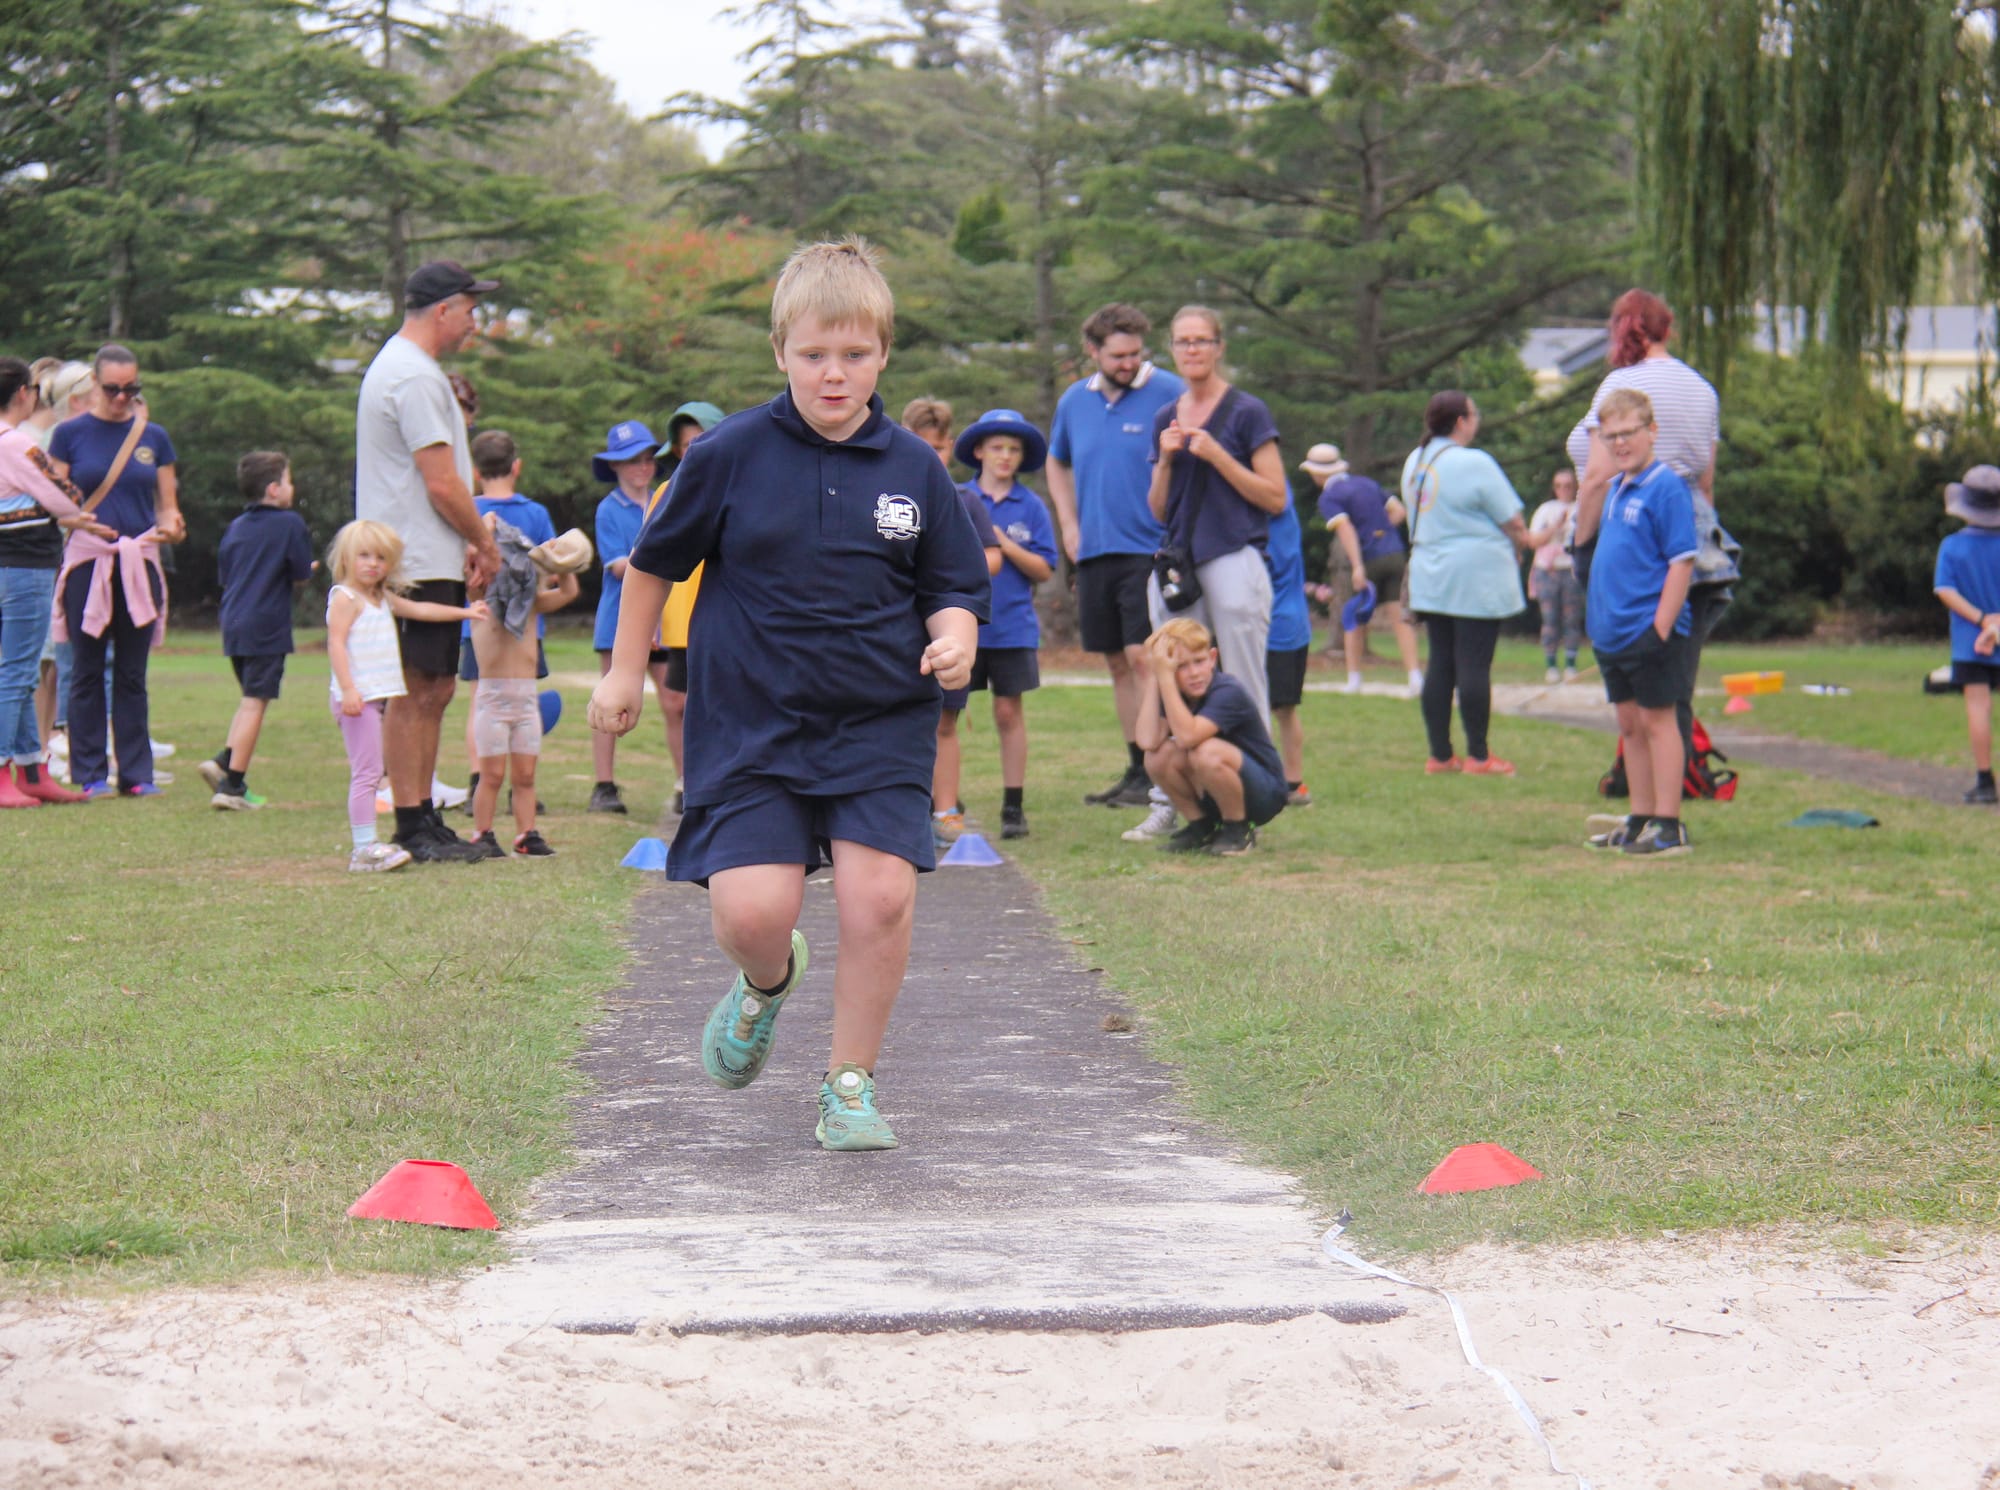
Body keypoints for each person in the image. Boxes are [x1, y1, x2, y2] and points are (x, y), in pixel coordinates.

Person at [587, 237, 990, 1153]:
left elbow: (954, 585)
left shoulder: (916, 470)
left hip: (879, 718)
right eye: (814, 355)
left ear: (883, 353)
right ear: (781, 352)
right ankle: (764, 985)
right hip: (752, 722)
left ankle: (849, 1084)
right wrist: (622, 670)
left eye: (854, 355)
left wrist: (955, 638)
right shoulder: (728, 453)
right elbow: (654, 565)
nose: (834, 375)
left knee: (879, 897)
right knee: (753, 913)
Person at [354, 259, 504, 862]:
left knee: (433, 687)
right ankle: (412, 822)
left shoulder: (408, 369)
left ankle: (422, 816)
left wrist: (466, 540)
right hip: (414, 557)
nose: (474, 322)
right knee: (418, 689)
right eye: (470, 309)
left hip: (423, 551)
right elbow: (441, 483)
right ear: (443, 309)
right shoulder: (414, 377)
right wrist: (484, 542)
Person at [1139, 306, 1288, 841]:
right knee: (1169, 676)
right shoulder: (1165, 418)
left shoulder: (1246, 412)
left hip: (1232, 555)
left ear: (1220, 347)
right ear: (1172, 349)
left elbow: (1274, 496)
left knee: (1241, 679)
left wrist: (1220, 457)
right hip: (1179, 562)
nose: (1193, 350)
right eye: (1183, 342)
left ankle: (1252, 802)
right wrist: (1166, 459)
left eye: (1202, 341)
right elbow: (1158, 509)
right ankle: (1173, 803)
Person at [1568, 289, 1734, 771]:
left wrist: (1582, 546)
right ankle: (1673, 779)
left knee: (1634, 661)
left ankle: (1650, 785)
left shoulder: (1621, 385)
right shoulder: (1703, 388)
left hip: (1632, 523)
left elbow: (1598, 475)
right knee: (1675, 672)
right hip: (1697, 528)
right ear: (1668, 328)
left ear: (1622, 330)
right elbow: (1706, 481)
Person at [1045, 303, 1187, 811]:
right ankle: (1136, 769)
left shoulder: (1169, 391)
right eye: (1117, 355)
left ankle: (1162, 768)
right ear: (1092, 351)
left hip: (1149, 548)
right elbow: (1056, 461)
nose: (1128, 363)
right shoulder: (1073, 401)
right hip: (1096, 550)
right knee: (1116, 662)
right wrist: (1069, 524)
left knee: (1143, 658)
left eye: (1134, 353)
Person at [46, 344, 186, 797]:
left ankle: (137, 773)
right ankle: (89, 771)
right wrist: (73, 518)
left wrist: (171, 528)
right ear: (94, 386)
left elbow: (168, 507)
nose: (123, 398)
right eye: (113, 390)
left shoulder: (154, 437)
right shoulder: (69, 435)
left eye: (132, 389)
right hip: (90, 560)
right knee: (86, 669)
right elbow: (55, 501)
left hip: (137, 563)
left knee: (132, 671)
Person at [325, 519, 487, 873]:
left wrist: (466, 612)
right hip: (357, 700)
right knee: (367, 773)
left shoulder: (380, 597)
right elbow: (335, 643)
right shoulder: (345, 598)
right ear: (346, 559)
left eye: (381, 558)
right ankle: (363, 849)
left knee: (369, 771)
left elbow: (421, 610)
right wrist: (349, 689)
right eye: (363, 556)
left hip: (374, 698)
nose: (372, 564)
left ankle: (367, 846)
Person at [1583, 389, 1697, 857]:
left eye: (1628, 433)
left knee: (1658, 721)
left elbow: (1681, 561)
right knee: (1629, 725)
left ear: (1651, 431)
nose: (1620, 443)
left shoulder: (1665, 487)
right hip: (1613, 633)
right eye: (1611, 437)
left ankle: (1669, 824)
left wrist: (1661, 628)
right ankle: (1640, 814)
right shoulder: (1616, 488)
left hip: (1649, 630)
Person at [1402, 391, 1533, 775]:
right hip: (1474, 574)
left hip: (1431, 571)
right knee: (1474, 664)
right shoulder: (1473, 462)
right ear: (1461, 421)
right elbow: (1510, 517)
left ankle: (1440, 754)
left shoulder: (1417, 459)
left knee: (1441, 662)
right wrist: (1521, 541)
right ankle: (1479, 755)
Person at [952, 408, 1057, 841]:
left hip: (1012, 627)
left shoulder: (1031, 506)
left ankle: (1013, 806)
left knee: (1008, 712)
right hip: (964, 624)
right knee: (945, 716)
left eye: (1013, 449)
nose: (1005, 456)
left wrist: (1003, 543)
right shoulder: (957, 496)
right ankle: (944, 802)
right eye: (996, 447)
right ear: (979, 451)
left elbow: (1045, 569)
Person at [902, 398, 1002, 849]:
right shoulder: (885, 496)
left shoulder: (966, 502)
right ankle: (903, 814)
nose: (931, 456)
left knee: (944, 722)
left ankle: (946, 812)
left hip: (946, 631)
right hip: (897, 634)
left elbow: (986, 560)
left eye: (939, 448)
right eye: (921, 445)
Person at [0, 356, 94, 807]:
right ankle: (5, 771)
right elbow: (62, 494)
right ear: (25, 393)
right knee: (17, 671)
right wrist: (79, 513)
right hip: (25, 566)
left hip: (9, 565)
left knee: (18, 670)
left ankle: (31, 768)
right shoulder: (17, 444)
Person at [197, 451, 314, 810]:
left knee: (249, 699)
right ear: (275, 489)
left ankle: (223, 762)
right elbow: (299, 574)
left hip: (233, 623)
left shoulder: (235, 527)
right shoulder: (289, 523)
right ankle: (232, 787)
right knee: (255, 702)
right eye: (289, 481)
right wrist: (307, 567)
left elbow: (228, 574)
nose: (293, 488)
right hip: (266, 624)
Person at [467, 516, 583, 857]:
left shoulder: (529, 607)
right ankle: (483, 833)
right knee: (491, 775)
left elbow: (570, 591)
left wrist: (558, 561)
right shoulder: (482, 602)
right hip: (493, 701)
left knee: (526, 775)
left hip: (525, 702)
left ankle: (526, 834)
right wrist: (486, 532)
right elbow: (471, 568)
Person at [456, 429, 556, 810]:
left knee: (480, 703)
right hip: (526, 628)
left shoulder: (467, 510)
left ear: (477, 472)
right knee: (523, 705)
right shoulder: (535, 513)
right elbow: (553, 562)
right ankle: (521, 787)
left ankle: (478, 782)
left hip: (476, 623)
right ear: (517, 467)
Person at [1135, 616, 1287, 857]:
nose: (1194, 673)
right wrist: (1156, 679)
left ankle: (1237, 831)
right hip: (1214, 789)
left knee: (1205, 751)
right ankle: (1201, 826)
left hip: (1263, 794)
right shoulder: (1175, 694)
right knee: (1157, 756)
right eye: (1181, 666)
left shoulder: (1227, 690)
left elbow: (1187, 737)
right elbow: (1147, 740)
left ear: (1213, 659)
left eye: (1199, 661)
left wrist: (1166, 678)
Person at [651, 401, 728, 813]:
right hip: (679, 621)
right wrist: (647, 623)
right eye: (685, 443)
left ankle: (721, 781)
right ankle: (687, 782)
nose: (692, 447)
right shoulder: (666, 493)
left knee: (724, 705)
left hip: (724, 620)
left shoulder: (738, 484)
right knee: (681, 705)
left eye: (699, 438)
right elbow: (648, 565)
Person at [1308, 442, 1422, 694]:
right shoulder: (1366, 484)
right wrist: (1380, 532)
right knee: (1399, 617)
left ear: (1317, 473)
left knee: (1353, 619)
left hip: (1367, 559)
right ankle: (1414, 677)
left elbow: (1346, 529)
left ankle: (1354, 679)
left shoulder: (1330, 497)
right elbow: (1398, 512)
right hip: (1394, 553)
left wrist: (1358, 564)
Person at [587, 418, 659, 816]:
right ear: (614, 466)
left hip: (666, 617)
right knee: (609, 699)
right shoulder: (608, 510)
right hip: (618, 618)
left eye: (647, 459)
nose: (641, 468)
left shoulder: (663, 500)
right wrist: (661, 557)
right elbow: (617, 566)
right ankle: (604, 784)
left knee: (676, 701)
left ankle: (687, 783)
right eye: (631, 461)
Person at [29, 362, 94, 760]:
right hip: (53, 557)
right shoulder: (55, 439)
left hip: (63, 556)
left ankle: (46, 743)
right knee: (47, 658)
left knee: (53, 660)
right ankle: (44, 743)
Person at [1933, 464, 2000, 806]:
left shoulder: (1952, 546)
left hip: (1968, 643)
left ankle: (1986, 781)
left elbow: (1944, 590)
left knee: (1978, 707)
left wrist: (1981, 619)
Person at [1263, 491, 1313, 805]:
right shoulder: (1285, 506)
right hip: (1295, 623)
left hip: (1275, 625)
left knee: (1262, 707)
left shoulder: (1270, 519)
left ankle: (1276, 782)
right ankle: (1293, 781)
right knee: (1285, 710)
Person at [1529, 468, 1583, 683]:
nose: (1564, 490)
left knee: (1572, 618)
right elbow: (1533, 541)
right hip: (1547, 570)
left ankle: (1571, 663)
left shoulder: (1580, 509)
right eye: (1559, 485)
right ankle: (1551, 665)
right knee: (1549, 619)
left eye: (1568, 485)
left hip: (1570, 569)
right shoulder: (1545, 510)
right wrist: (1555, 527)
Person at [655, 401, 726, 486]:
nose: (696, 450)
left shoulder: (742, 487)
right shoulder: (666, 494)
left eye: (704, 442)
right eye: (688, 445)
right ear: (677, 451)